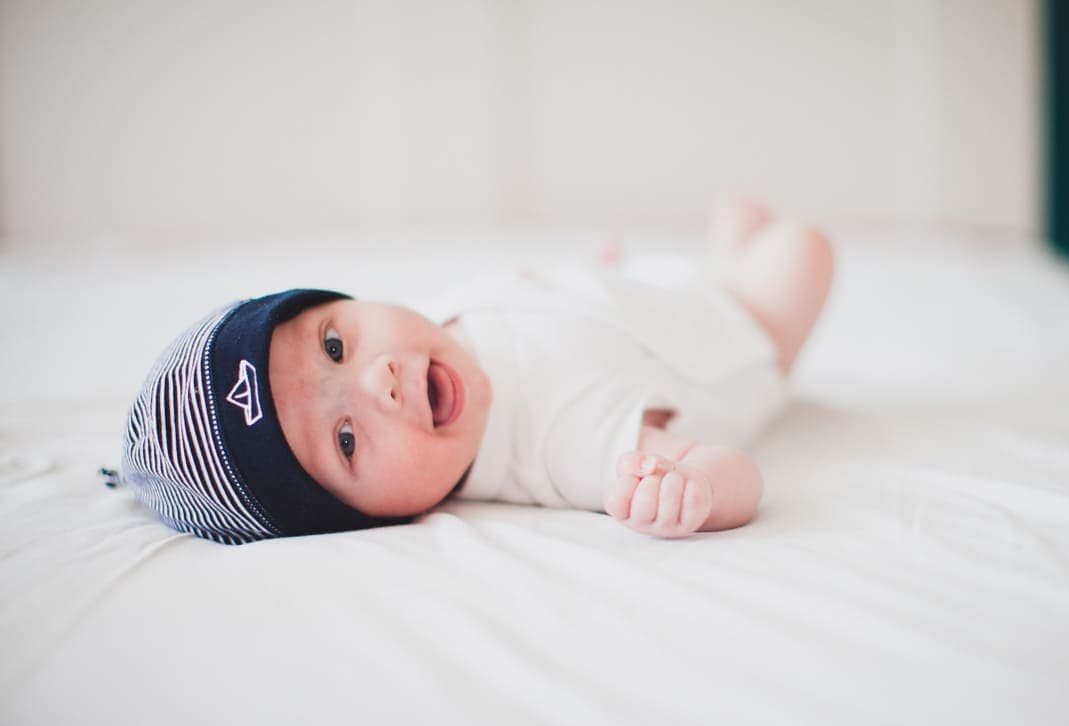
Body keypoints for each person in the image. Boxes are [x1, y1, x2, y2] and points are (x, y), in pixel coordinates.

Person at [116, 197, 833, 544]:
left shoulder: (432, 324)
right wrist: (695, 488)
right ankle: (732, 266)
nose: (379, 383)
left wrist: (581, 279)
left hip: (631, 300)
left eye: (334, 346)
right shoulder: (557, 445)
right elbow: (733, 470)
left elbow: (516, 292)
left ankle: (707, 258)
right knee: (800, 249)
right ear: (365, 518)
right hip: (730, 333)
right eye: (344, 440)